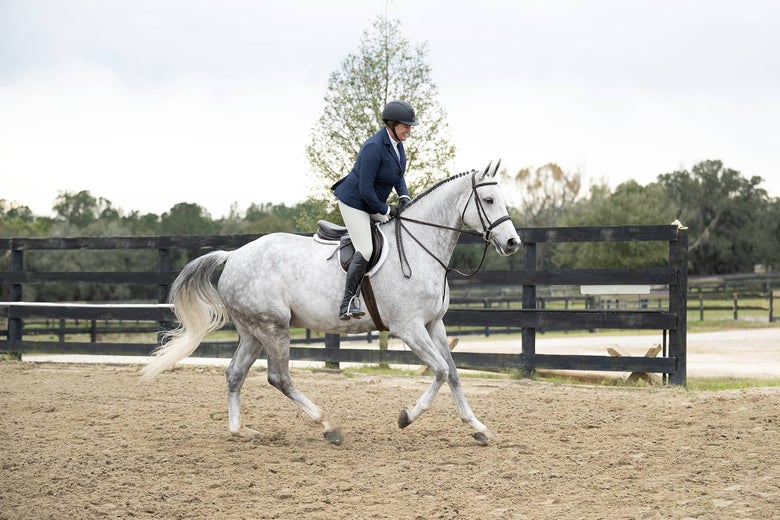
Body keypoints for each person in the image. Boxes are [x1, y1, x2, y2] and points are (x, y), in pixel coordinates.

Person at [331, 100, 418, 320]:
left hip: (371, 202)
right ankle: (348, 302)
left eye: (410, 125)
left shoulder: (398, 146)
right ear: (392, 124)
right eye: (406, 125)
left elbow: (398, 177)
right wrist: (386, 209)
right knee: (366, 249)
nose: (409, 129)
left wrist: (404, 196)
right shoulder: (373, 147)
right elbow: (365, 189)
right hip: (355, 202)